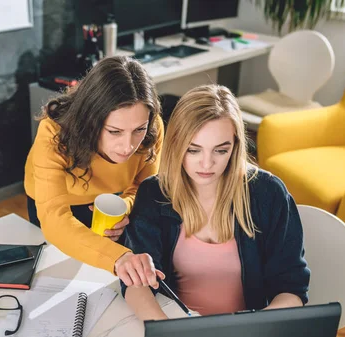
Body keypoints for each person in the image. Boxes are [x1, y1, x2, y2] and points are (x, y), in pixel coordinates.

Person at [123, 84, 310, 320]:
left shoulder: (268, 193)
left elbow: (292, 288)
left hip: (249, 332)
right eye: (193, 150)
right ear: (176, 145)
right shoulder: (154, 193)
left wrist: (252, 328)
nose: (206, 164)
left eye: (221, 151)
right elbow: (137, 282)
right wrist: (166, 330)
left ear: (235, 147)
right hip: (176, 326)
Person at [24, 56, 164, 286]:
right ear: (90, 120)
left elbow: (143, 187)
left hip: (110, 203)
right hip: (57, 204)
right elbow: (55, 220)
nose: (128, 147)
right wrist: (117, 257)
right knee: (57, 274)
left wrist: (127, 206)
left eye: (139, 129)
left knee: (96, 282)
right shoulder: (52, 133)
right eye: (114, 131)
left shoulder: (154, 127)